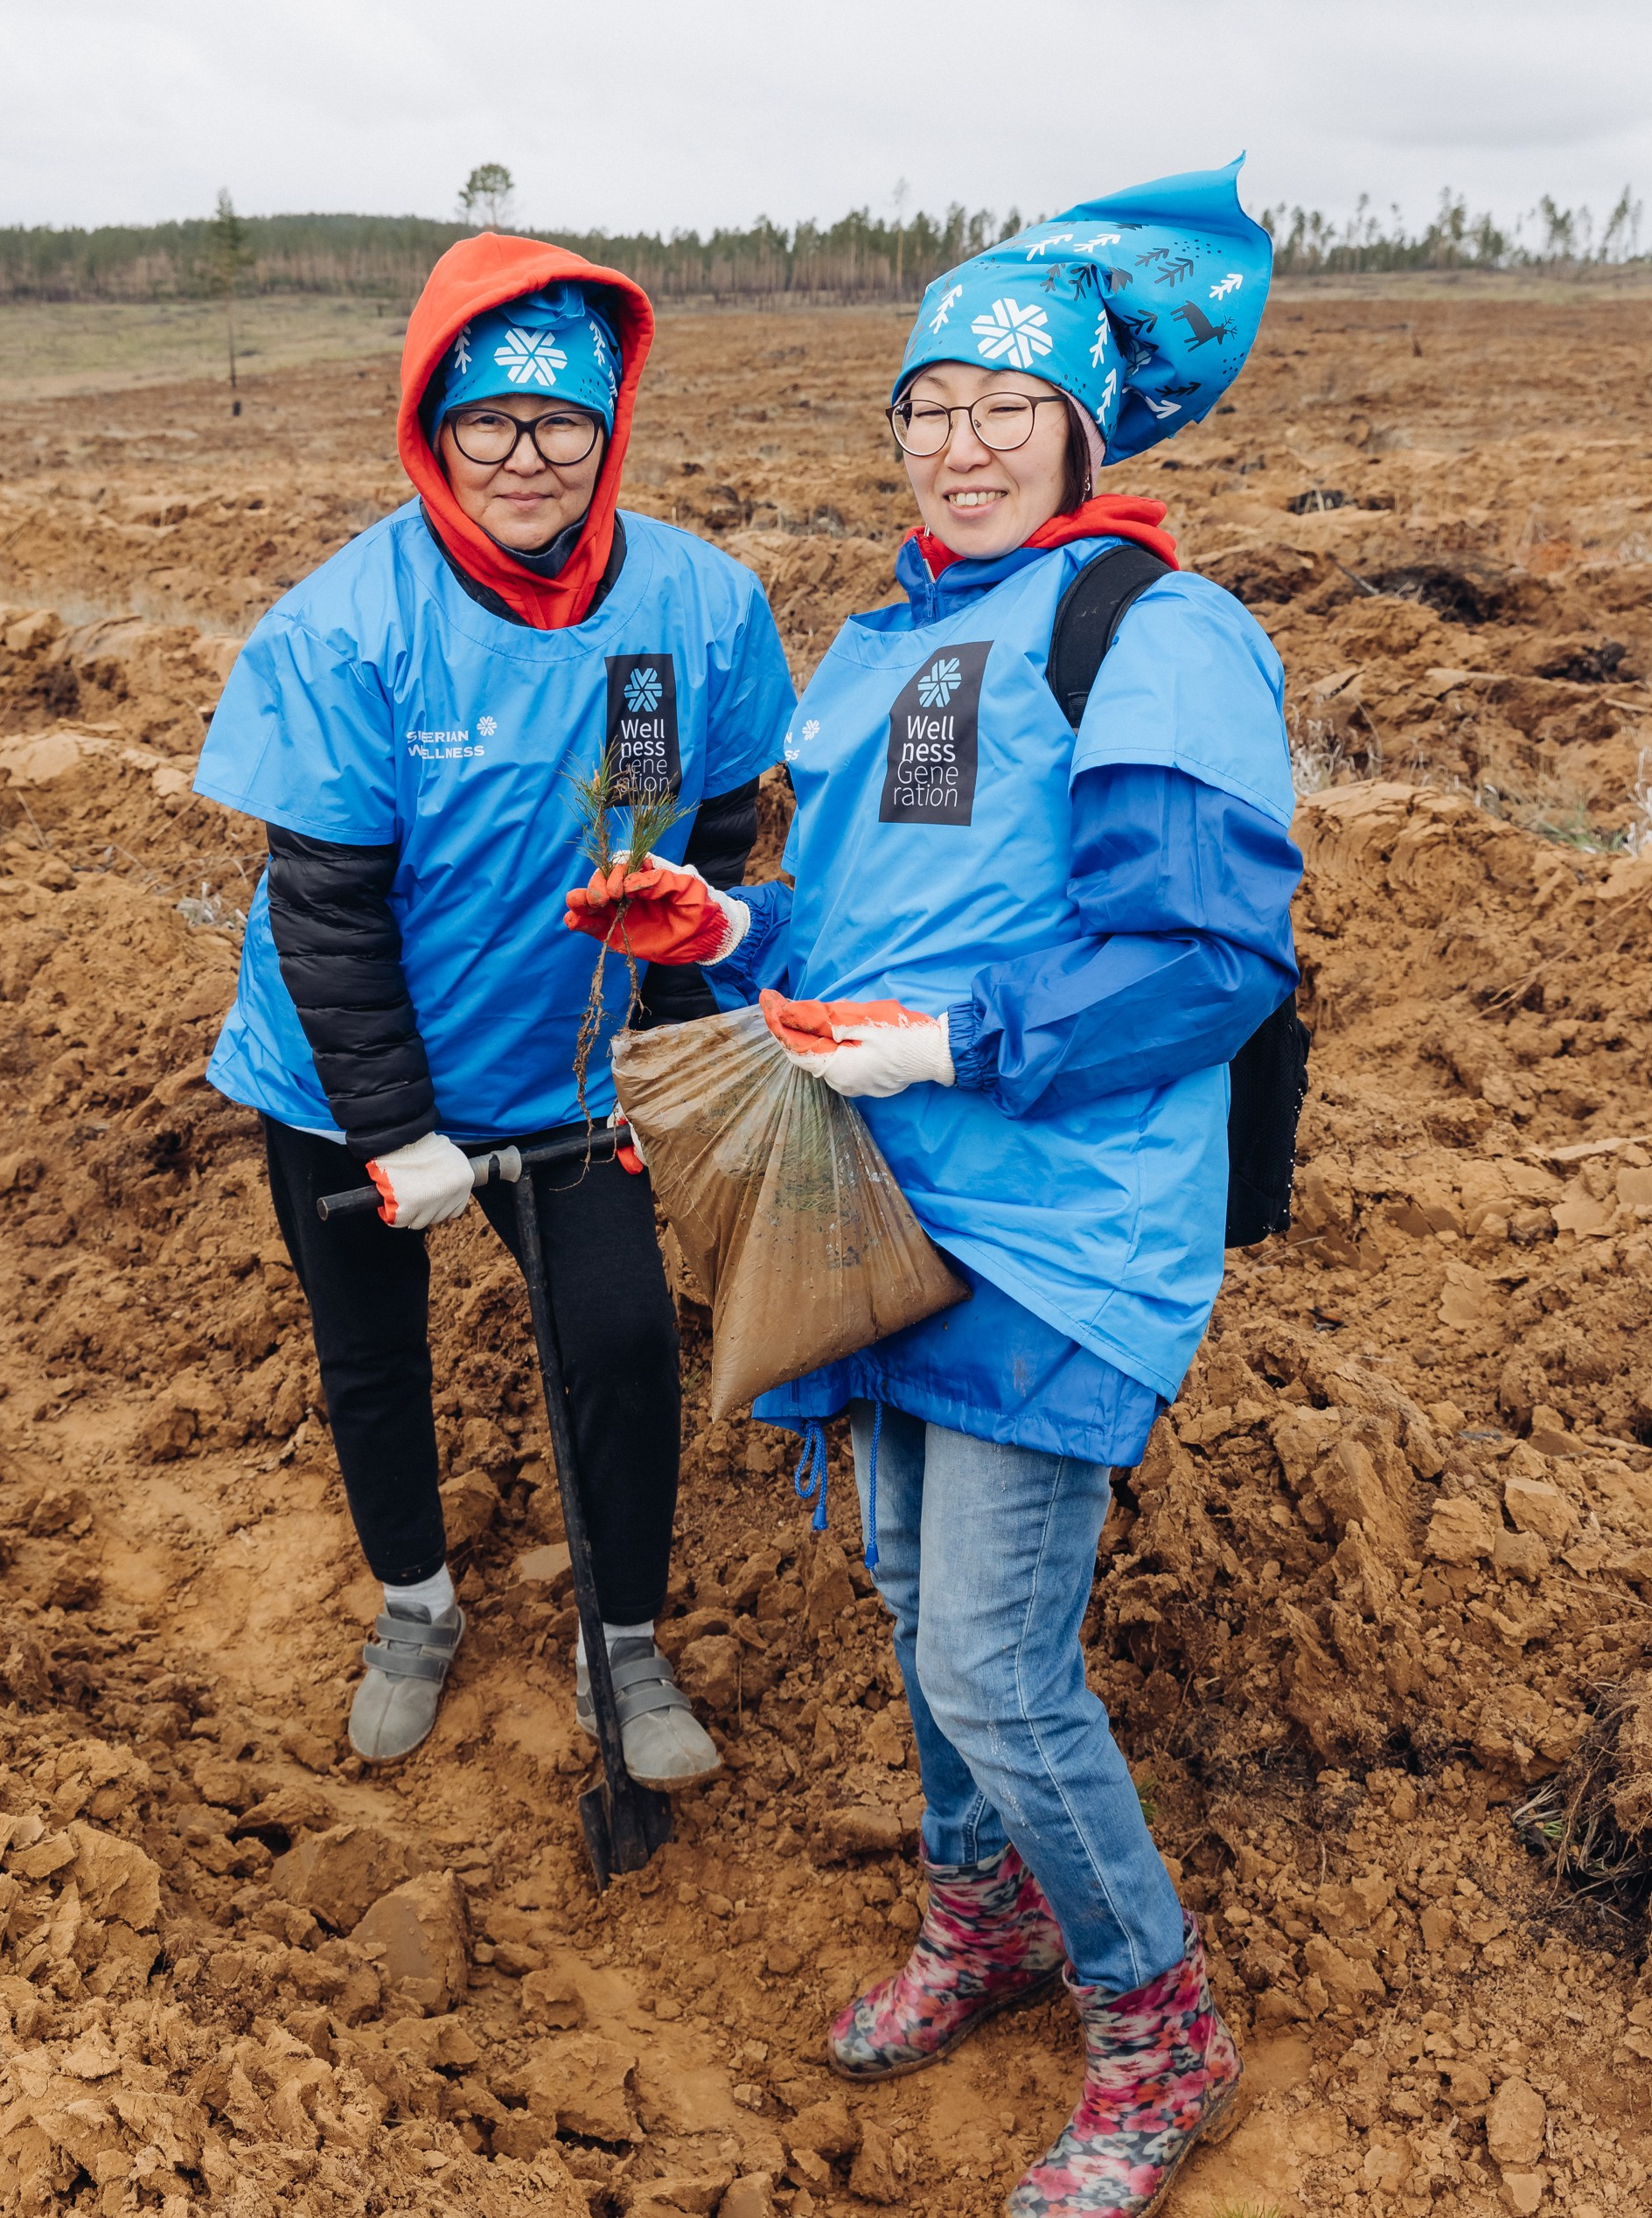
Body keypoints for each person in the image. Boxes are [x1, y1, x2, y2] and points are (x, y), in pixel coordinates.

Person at [567, 163, 1300, 2215]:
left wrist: (957, 1042)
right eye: (929, 404)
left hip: (1054, 1225)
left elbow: (1203, 958)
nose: (960, 443)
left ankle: (1158, 2026)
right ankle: (983, 1922)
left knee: (992, 1657)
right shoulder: (895, 636)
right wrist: (728, 923)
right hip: (881, 1198)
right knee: (907, 1598)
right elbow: (871, 914)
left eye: (1004, 405)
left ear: (1079, 427)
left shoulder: (1153, 628)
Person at [193, 230, 795, 1782]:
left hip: (568, 1058)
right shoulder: (353, 628)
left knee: (615, 1338)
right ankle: (416, 1604)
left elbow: (704, 834)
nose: (525, 460)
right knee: (373, 1349)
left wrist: (657, 1047)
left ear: (608, 434)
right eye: (490, 423)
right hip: (348, 1068)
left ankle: (626, 1648)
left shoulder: (694, 605)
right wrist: (395, 1137)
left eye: (561, 425)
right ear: (435, 428)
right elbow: (324, 912)